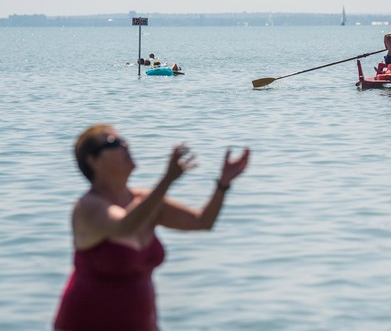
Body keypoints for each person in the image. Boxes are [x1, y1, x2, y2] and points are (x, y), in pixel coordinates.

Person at [54, 124, 250, 331]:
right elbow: (124, 226)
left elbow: (202, 221)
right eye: (114, 143)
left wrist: (223, 183)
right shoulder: (88, 207)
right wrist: (167, 180)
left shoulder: (146, 202)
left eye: (123, 140)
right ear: (93, 161)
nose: (125, 145)